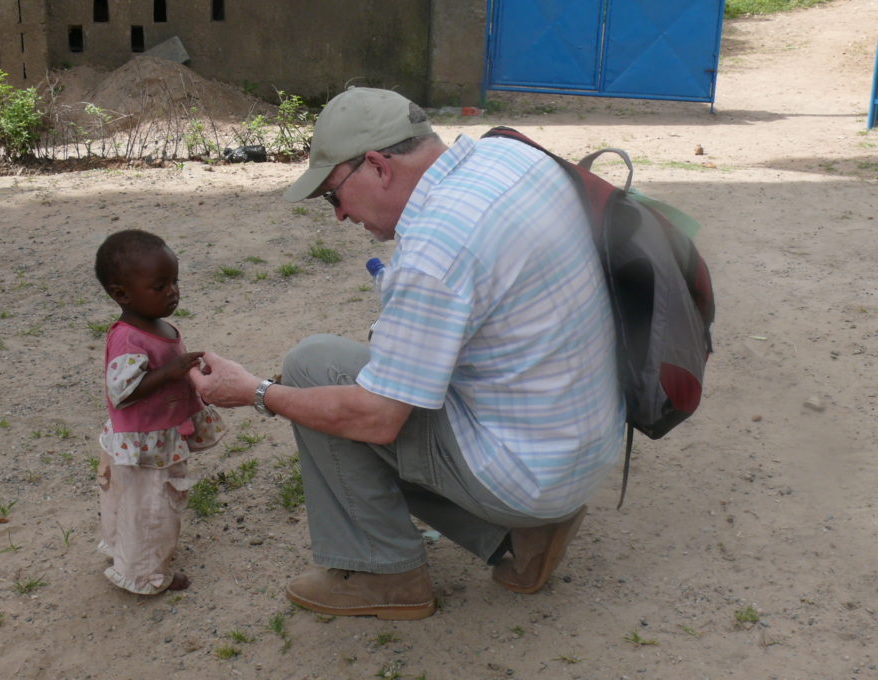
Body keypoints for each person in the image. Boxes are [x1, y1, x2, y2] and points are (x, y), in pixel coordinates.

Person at [191, 87, 624, 620]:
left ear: (377, 165)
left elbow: (377, 419)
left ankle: (385, 574)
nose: (340, 217)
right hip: (579, 444)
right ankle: (520, 536)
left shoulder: (435, 248)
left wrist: (257, 392)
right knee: (363, 378)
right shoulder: (509, 153)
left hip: (529, 474)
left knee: (311, 368)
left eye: (333, 195)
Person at [94, 229, 225, 595]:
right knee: (153, 510)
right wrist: (171, 371)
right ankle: (145, 575)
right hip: (145, 445)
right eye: (159, 286)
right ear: (121, 293)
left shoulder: (155, 325)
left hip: (155, 434)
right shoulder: (129, 339)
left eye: (175, 281)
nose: (172, 292)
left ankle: (125, 555)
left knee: (133, 503)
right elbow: (122, 391)